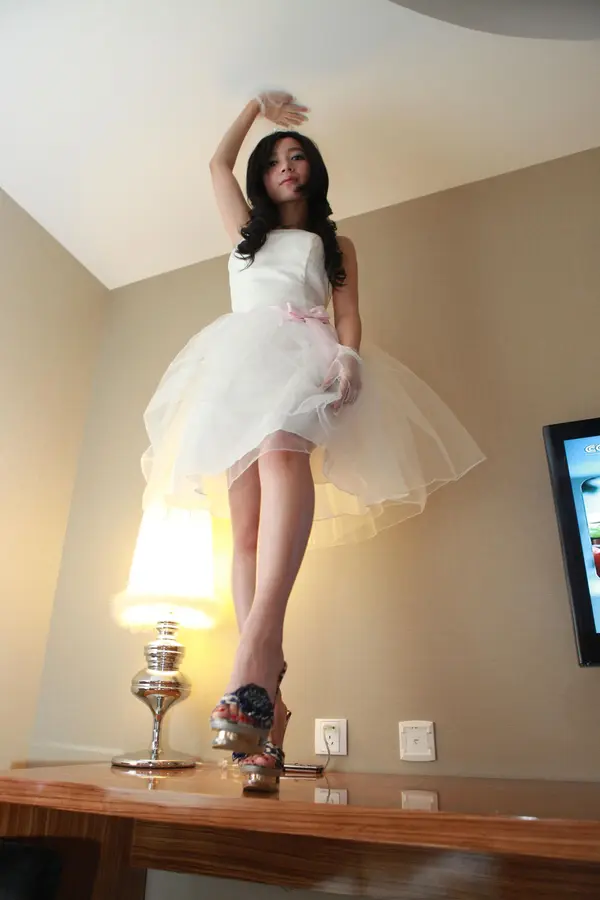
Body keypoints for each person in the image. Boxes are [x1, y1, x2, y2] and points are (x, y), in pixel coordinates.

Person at [141, 91, 484, 791]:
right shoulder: (245, 233)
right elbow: (217, 164)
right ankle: (269, 708)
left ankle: (255, 655)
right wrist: (253, 108)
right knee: (242, 528)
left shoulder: (335, 244)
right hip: (239, 367)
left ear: (313, 171)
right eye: (275, 161)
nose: (286, 166)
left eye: (297, 156)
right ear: (262, 178)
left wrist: (349, 357)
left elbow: (348, 313)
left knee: (280, 448)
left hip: (304, 357)